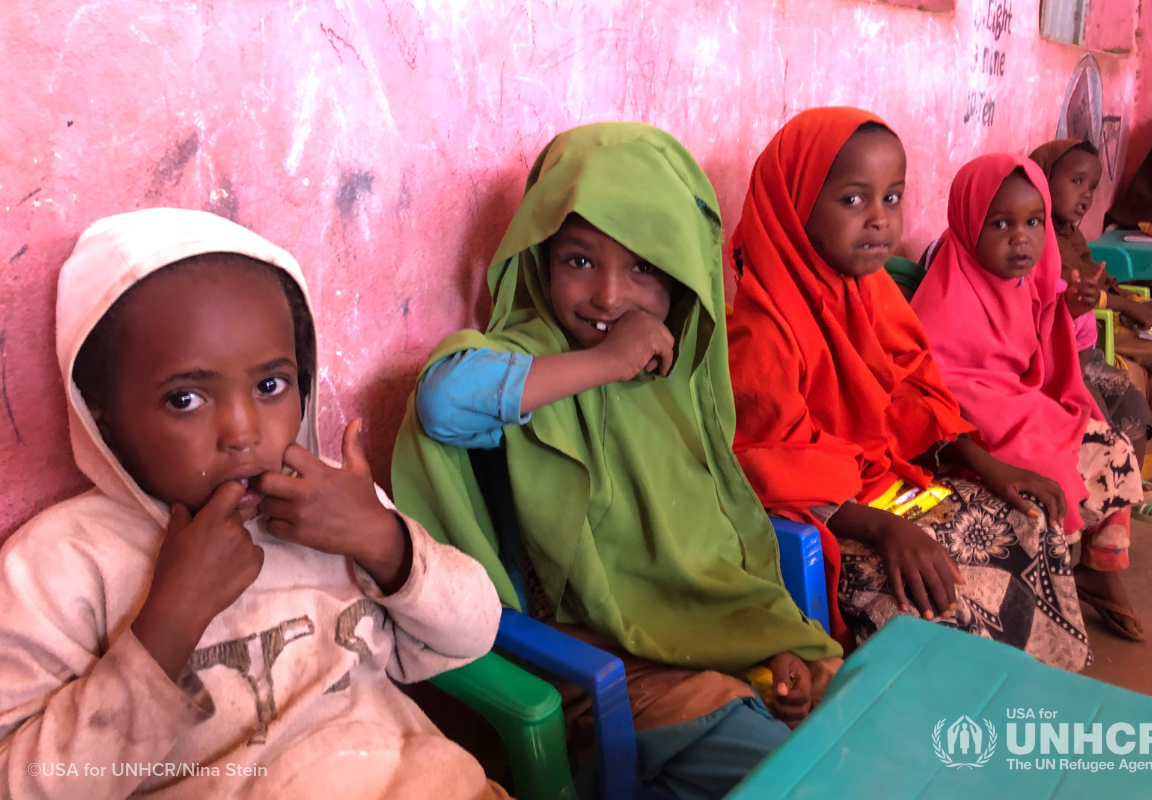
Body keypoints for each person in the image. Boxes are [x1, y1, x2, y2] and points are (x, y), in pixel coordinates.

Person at [391, 122, 842, 800]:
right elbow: (442, 402)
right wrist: (599, 364)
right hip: (605, 672)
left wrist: (773, 643)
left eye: (643, 267)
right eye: (579, 260)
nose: (607, 296)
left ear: (684, 273)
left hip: (713, 642)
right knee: (799, 776)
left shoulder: (680, 375)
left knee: (859, 728)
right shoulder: (531, 350)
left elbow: (716, 551)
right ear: (540, 255)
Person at [0, 208, 507, 799]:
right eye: (185, 398)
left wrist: (382, 539)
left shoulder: (337, 506)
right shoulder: (63, 565)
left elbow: (474, 633)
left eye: (271, 386)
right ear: (102, 416)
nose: (241, 432)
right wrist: (166, 625)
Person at [725, 106, 1090, 672]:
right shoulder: (761, 329)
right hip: (828, 519)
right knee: (932, 599)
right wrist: (886, 528)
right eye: (852, 200)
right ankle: (947, 733)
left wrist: (988, 465)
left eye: (891, 198)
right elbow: (777, 466)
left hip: (886, 484)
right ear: (793, 206)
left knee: (1025, 520)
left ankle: (1036, 686)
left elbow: (914, 399)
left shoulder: (873, 293)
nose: (878, 219)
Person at [912, 154, 1146, 642]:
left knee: (1114, 447)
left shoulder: (1026, 282)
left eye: (1033, 222)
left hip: (1019, 405)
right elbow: (937, 388)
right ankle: (1050, 591)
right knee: (1051, 473)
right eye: (1000, 223)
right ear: (968, 223)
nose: (1021, 237)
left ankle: (1100, 571)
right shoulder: (944, 297)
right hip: (976, 426)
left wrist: (1067, 309)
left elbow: (1037, 353)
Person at [1034, 138, 1152, 499]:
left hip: (1099, 320)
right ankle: (1144, 471)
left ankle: (1138, 476)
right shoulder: (1035, 235)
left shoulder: (1069, 233)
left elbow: (1096, 278)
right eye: (1076, 182)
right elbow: (1063, 295)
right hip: (1086, 328)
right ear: (1042, 177)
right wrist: (1125, 306)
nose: (1086, 196)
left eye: (1092, 187)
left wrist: (1143, 302)